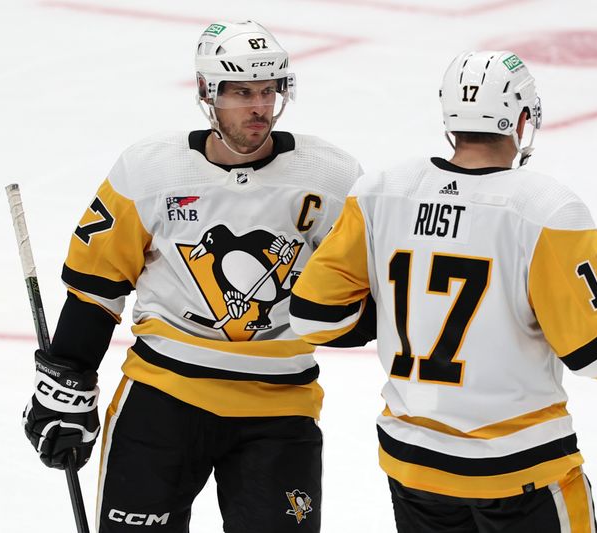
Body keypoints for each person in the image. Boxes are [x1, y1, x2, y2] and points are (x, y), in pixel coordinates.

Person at [289, 50, 597, 532]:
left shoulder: (381, 191)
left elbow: (313, 317)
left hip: (414, 469)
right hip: (520, 472)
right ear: (523, 118)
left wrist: (393, 310)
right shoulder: (545, 209)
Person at [22, 20, 363, 533]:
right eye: (243, 92)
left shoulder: (331, 178)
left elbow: (369, 294)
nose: (259, 108)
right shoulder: (149, 172)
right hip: (163, 398)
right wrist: (65, 389)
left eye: (269, 91)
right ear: (207, 92)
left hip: (279, 407)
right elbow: (97, 289)